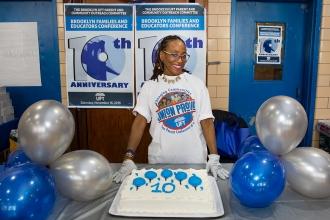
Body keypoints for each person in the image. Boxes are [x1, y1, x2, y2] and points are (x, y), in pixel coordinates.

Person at [113, 35, 229, 182]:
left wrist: (214, 157)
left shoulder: (197, 84)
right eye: (174, 55)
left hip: (194, 162)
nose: (180, 60)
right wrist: (128, 158)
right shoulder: (150, 87)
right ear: (162, 55)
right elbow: (140, 122)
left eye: (183, 55)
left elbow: (206, 121)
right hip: (160, 163)